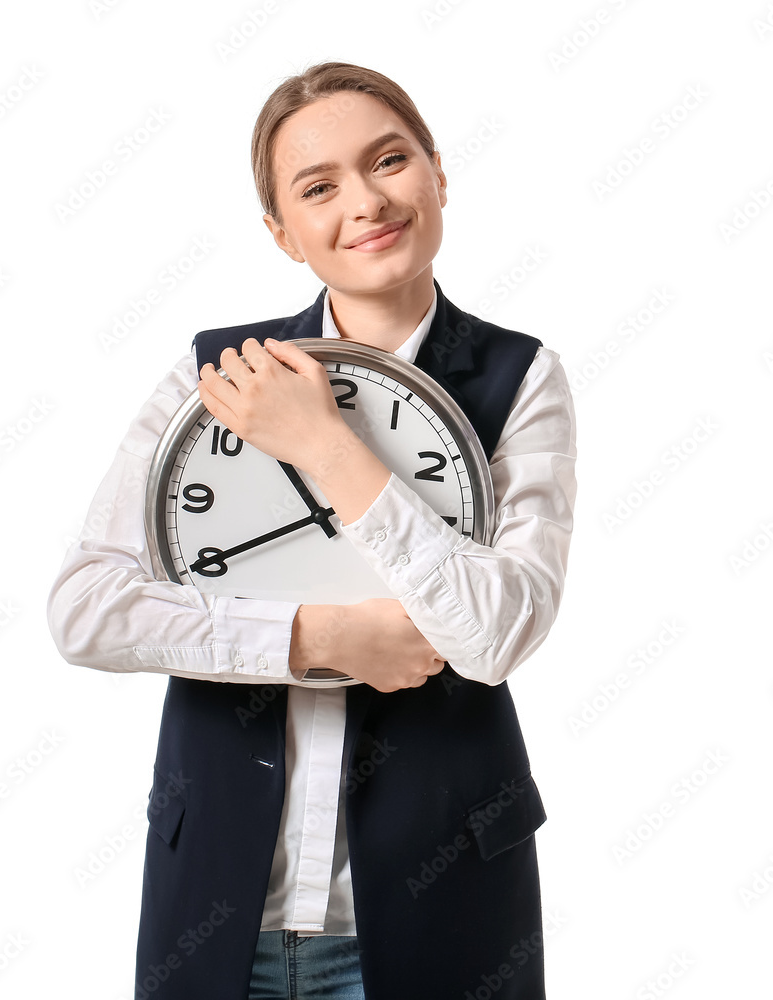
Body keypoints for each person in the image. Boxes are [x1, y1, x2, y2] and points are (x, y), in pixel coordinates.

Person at [47, 61, 576, 1000]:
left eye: (389, 160)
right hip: (215, 903)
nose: (366, 201)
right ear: (282, 233)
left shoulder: (519, 377)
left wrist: (325, 447)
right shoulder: (213, 376)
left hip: (441, 903)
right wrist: (316, 639)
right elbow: (86, 609)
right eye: (318, 187)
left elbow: (497, 635)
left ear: (437, 174)